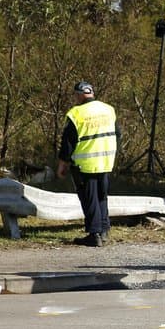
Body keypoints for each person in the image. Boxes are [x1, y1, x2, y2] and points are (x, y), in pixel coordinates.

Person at [56, 81, 118, 247]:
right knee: (102, 196)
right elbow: (117, 134)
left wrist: (62, 164)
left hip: (85, 164)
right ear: (92, 93)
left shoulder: (76, 114)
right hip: (105, 161)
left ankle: (94, 233)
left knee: (89, 198)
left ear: (78, 95)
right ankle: (104, 230)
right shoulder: (108, 110)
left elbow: (68, 142)